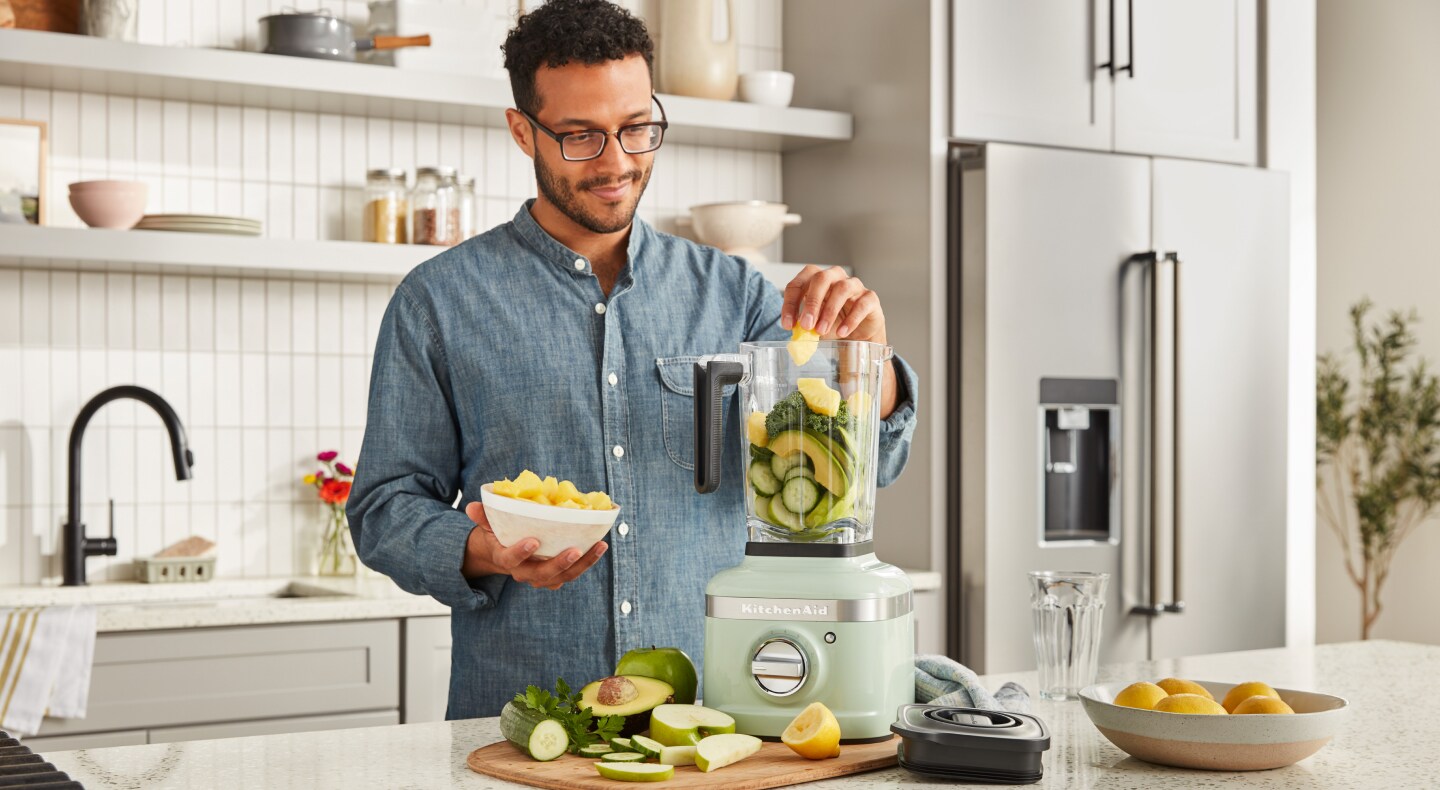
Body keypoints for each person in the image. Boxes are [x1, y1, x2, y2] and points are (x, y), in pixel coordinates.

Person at [347, 0, 919, 719]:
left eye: (637, 128)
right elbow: (382, 509)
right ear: (523, 131)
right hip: (523, 722)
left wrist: (875, 367)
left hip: (714, 722)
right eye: (581, 136)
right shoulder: (438, 301)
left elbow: (856, 470)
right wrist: (482, 549)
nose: (618, 162)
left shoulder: (737, 295)